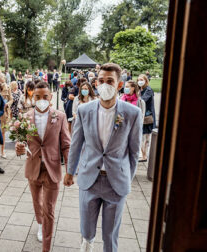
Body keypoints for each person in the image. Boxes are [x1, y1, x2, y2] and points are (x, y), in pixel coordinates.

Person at [64, 63, 143, 252]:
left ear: (119, 85)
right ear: (96, 83)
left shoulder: (132, 113)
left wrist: (126, 178)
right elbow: (76, 143)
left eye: (110, 81)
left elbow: (134, 152)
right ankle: (87, 245)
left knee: (110, 235)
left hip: (116, 182)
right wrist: (70, 172)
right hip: (89, 178)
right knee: (87, 229)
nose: (104, 84)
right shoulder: (84, 110)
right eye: (101, 80)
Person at [15, 82, 71, 252]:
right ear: (33, 97)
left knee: (49, 209)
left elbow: (67, 145)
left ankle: (46, 247)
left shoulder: (60, 117)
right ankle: (40, 224)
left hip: (52, 169)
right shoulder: (25, 117)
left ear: (50, 98)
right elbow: (21, 142)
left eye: (45, 97)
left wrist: (70, 170)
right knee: (36, 202)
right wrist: (19, 148)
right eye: (37, 97)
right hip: (33, 167)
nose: (41, 100)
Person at [138, 74, 156, 162]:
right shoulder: (140, 89)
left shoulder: (148, 90)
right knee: (142, 136)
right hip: (143, 116)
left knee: (145, 137)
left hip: (147, 117)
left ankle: (144, 156)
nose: (139, 81)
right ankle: (143, 154)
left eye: (141, 79)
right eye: (138, 80)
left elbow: (142, 100)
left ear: (146, 80)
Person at [0, 74, 13, 159]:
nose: (1, 82)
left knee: (3, 133)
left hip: (4, 113)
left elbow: (11, 99)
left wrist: (7, 104)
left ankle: (2, 151)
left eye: (2, 80)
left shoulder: (8, 88)